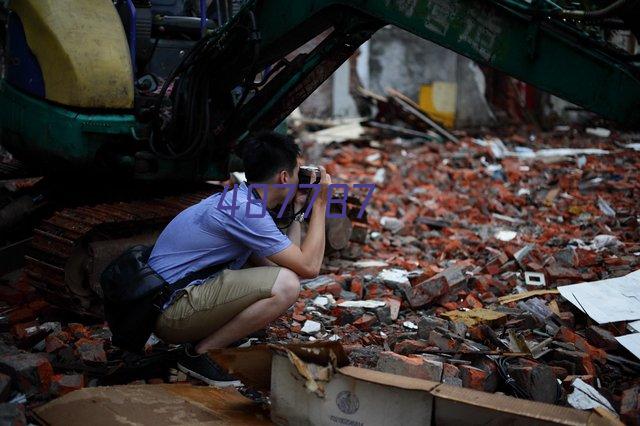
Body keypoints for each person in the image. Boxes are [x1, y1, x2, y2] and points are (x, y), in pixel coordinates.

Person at [148, 131, 331, 386]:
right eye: (298, 171)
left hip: (167, 305)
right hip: (171, 315)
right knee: (287, 286)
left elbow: (281, 265)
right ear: (285, 177)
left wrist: (299, 208)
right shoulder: (247, 212)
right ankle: (198, 355)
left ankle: (207, 341)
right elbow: (308, 267)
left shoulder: (239, 200)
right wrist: (320, 203)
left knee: (282, 279)